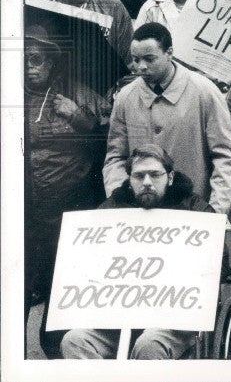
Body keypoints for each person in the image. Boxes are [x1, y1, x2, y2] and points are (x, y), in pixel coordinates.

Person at [61, 144, 217, 360]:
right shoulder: (110, 210)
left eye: (155, 175)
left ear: (170, 177)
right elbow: (87, 263)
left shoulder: (195, 210)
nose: (146, 182)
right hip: (117, 315)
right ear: (129, 179)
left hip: (172, 318)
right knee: (74, 341)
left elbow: (216, 265)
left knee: (149, 344)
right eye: (139, 176)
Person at [23, 25, 109, 358]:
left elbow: (109, 142)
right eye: (24, 60)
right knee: (16, 289)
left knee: (60, 292)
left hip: (65, 215)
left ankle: (56, 355)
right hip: (22, 216)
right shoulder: (9, 95)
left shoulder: (79, 93)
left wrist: (81, 118)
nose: (29, 67)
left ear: (53, 63)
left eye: (36, 59)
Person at [104, 22, 231, 216]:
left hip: (194, 212)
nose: (141, 67)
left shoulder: (205, 92)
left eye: (149, 59)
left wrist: (215, 212)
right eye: (136, 59)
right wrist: (120, 202)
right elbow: (116, 158)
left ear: (169, 53)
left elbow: (226, 156)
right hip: (139, 214)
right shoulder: (125, 97)